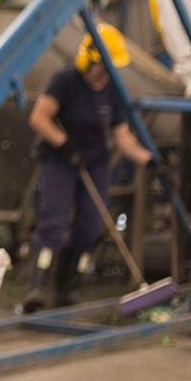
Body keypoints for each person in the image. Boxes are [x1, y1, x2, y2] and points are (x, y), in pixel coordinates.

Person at [22, 24, 153, 313]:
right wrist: (64, 143)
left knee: (91, 227)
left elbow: (122, 136)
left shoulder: (113, 91)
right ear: (89, 60)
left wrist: (148, 159)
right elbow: (40, 118)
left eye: (109, 68)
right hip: (60, 160)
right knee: (53, 222)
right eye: (100, 67)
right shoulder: (65, 81)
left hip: (94, 163)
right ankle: (37, 287)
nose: (104, 73)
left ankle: (67, 288)